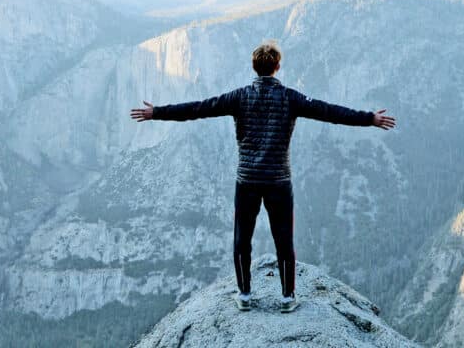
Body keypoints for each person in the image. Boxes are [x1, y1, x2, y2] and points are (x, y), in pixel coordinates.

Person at [130, 41, 396, 313]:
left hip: (247, 181)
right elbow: (329, 112)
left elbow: (198, 108)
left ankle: (244, 295)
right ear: (277, 66)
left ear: (254, 68)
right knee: (284, 240)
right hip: (279, 181)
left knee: (241, 238)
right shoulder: (291, 98)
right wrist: (369, 119)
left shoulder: (240, 97)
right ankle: (287, 297)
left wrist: (157, 113)